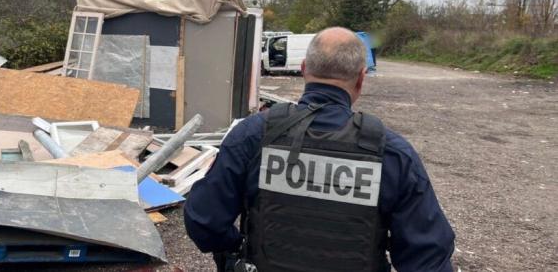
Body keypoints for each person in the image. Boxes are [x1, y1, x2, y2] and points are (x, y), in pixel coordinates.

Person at [184, 27, 455, 272]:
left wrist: (237, 249)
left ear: (304, 69)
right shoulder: (392, 154)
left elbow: (204, 221)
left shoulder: (253, 135)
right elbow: (428, 258)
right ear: (361, 78)